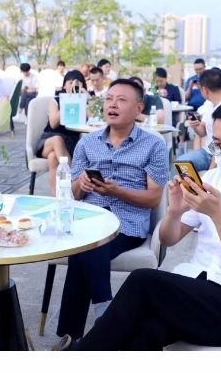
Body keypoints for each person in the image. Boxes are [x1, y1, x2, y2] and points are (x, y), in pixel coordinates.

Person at [55, 97, 221, 351]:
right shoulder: (214, 179)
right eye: (217, 145)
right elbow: (168, 239)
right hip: (198, 286)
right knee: (144, 331)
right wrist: (174, 212)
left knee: (143, 282)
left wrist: (219, 216)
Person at [52, 78, 169, 347]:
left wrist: (118, 192)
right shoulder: (87, 143)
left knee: (88, 245)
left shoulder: (153, 145)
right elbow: (72, 195)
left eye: (121, 100)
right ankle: (100, 319)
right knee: (87, 242)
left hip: (126, 224)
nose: (112, 105)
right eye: (109, 99)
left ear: (139, 108)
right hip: (88, 219)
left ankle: (74, 334)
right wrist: (80, 184)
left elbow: (154, 199)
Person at [36, 70, 90, 196]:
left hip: (70, 144)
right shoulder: (56, 100)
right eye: (70, 83)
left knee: (53, 157)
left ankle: (56, 197)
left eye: (77, 83)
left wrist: (85, 96)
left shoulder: (83, 101)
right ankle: (72, 180)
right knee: (57, 139)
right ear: (64, 86)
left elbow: (95, 117)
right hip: (49, 140)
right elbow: (54, 123)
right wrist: (68, 101)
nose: (73, 86)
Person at [171, 68, 221, 178]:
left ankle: (195, 188)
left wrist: (210, 173)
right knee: (179, 164)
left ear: (205, 90)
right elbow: (203, 132)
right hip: (208, 152)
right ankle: (185, 189)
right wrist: (196, 126)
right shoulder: (210, 103)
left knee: (184, 168)